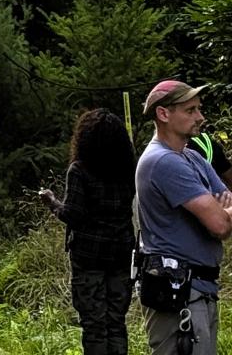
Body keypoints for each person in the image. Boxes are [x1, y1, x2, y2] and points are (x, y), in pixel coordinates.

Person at [135, 80, 232, 355]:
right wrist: (217, 211)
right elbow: (220, 224)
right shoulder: (164, 162)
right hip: (179, 294)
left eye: (198, 109)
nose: (200, 117)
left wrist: (218, 210)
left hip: (199, 290)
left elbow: (223, 209)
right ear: (163, 114)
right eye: (190, 110)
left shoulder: (191, 157)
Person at [40, 109, 136, 355]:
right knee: (116, 323)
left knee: (94, 326)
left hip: (88, 258)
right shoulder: (128, 169)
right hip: (121, 255)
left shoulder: (80, 170)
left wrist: (52, 201)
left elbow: (73, 214)